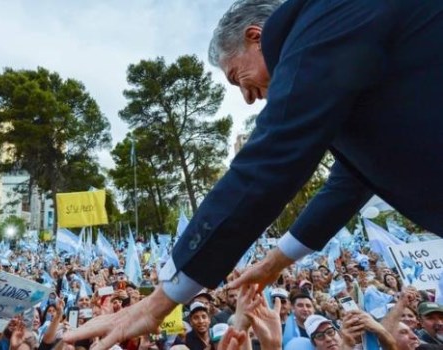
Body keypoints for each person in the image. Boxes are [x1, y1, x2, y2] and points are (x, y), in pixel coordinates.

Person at [63, 0, 443, 347]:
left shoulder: (321, 21)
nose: (246, 97)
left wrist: (156, 304)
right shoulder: (338, 59)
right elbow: (352, 179)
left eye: (235, 77)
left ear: (255, 37)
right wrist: (274, 262)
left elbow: (272, 157)